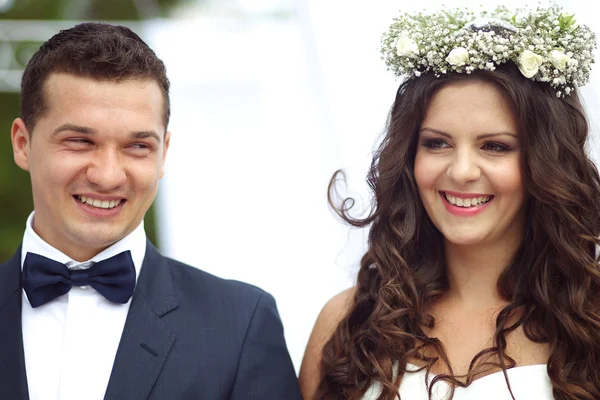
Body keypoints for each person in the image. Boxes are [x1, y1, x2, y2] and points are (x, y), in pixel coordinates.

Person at [299, 5, 600, 400]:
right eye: (437, 143)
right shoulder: (347, 321)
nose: (461, 172)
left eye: (495, 147)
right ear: (410, 157)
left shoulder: (590, 321)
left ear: (545, 163)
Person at [1, 22, 302, 400]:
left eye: (137, 146)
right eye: (80, 141)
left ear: (164, 154)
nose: (108, 175)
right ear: (23, 144)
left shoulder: (242, 324)